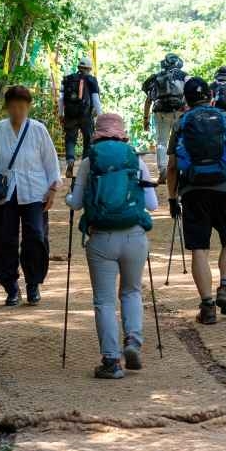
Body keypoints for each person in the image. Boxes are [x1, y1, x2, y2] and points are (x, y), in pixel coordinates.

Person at [64, 113, 158, 380]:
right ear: (122, 133)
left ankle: (111, 361)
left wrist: (68, 197)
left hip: (101, 238)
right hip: (135, 236)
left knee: (104, 301)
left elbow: (77, 202)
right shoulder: (135, 159)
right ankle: (133, 341)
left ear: (98, 133)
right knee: (131, 292)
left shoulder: (89, 161)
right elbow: (151, 205)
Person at [165, 76, 226, 325]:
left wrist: (172, 198)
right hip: (225, 188)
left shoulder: (181, 123)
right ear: (211, 96)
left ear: (186, 99)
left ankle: (207, 306)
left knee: (199, 249)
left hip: (194, 191)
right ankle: (225, 288)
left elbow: (172, 166)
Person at [0, 85, 62, 307]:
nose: (18, 112)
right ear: (6, 108)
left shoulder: (38, 130)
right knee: (4, 239)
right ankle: (11, 286)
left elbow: (51, 163)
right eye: (13, 107)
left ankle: (33, 284)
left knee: (36, 237)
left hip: (35, 192)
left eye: (22, 107)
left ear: (28, 107)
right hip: (5, 194)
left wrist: (52, 189)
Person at [142, 53, 188, 173]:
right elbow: (189, 95)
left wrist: (145, 119)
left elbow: (148, 100)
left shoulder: (157, 77)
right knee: (181, 140)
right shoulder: (184, 76)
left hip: (160, 111)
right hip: (179, 111)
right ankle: (180, 168)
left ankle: (162, 169)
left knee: (162, 141)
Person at [59, 57, 101, 171]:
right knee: (88, 140)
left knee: (70, 139)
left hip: (70, 115)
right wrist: (100, 116)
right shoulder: (91, 80)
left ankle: (70, 161)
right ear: (89, 68)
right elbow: (95, 99)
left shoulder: (68, 79)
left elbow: (61, 98)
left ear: (79, 67)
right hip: (86, 116)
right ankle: (84, 166)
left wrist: (60, 113)